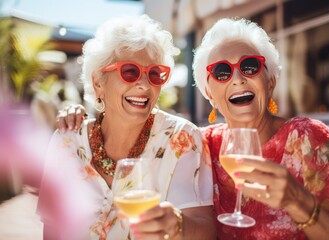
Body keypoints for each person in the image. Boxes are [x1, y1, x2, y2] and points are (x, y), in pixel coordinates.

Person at [56, 18, 329, 239]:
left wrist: (299, 202)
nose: (238, 79)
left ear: (271, 81)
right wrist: (84, 115)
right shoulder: (202, 144)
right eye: (222, 72)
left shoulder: (306, 139)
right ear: (209, 93)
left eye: (250, 66)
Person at [37, 15, 216, 240]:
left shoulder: (181, 139)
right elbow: (52, 230)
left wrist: (178, 225)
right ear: (98, 82)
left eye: (154, 74)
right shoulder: (67, 141)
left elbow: (205, 229)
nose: (144, 84)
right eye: (129, 71)